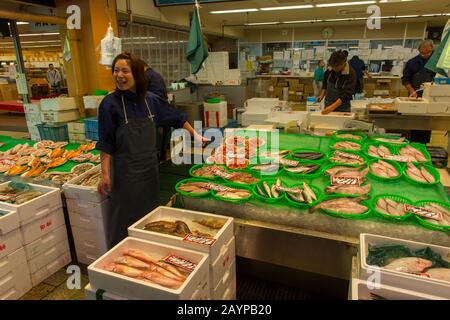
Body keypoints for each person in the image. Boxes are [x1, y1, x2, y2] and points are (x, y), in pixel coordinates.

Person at [96, 52, 207, 248]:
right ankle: (121, 253)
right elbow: (106, 142)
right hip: (125, 174)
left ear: (137, 74)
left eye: (125, 71)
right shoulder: (109, 104)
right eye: (116, 70)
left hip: (149, 171)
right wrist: (104, 173)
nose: (119, 75)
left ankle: (150, 248)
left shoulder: (151, 100)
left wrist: (196, 135)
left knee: (151, 216)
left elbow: (176, 117)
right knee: (123, 218)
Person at [402, 39, 436, 143]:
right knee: (413, 124)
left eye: (428, 53)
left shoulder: (435, 63)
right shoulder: (412, 62)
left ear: (432, 50)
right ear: (418, 50)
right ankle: (411, 143)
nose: (425, 55)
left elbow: (440, 79)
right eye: (422, 53)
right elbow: (405, 79)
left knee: (426, 125)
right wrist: (412, 90)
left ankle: (423, 145)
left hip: (430, 99)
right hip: (414, 97)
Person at [143, 61, 170, 161]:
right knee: (165, 132)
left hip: (155, 108)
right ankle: (163, 155)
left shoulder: (146, 76)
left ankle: (156, 157)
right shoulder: (156, 74)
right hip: (165, 105)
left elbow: (142, 93)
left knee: (156, 133)